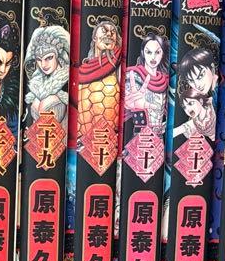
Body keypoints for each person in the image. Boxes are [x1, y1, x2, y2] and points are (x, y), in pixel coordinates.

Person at [75, 18, 121, 159]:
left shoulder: (119, 65)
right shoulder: (83, 69)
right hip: (82, 145)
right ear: (94, 37)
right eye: (104, 31)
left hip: (107, 144)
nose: (109, 34)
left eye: (113, 32)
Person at [23, 22, 71, 128]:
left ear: (58, 56)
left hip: (62, 136)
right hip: (38, 136)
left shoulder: (69, 81)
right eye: (39, 60)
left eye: (49, 58)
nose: (43, 65)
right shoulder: (35, 84)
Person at [124, 33, 169, 137]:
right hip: (140, 137)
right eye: (148, 52)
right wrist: (127, 105)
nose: (153, 57)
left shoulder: (165, 80)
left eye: (157, 52)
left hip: (159, 138)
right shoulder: (133, 76)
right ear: (143, 53)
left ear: (162, 54)